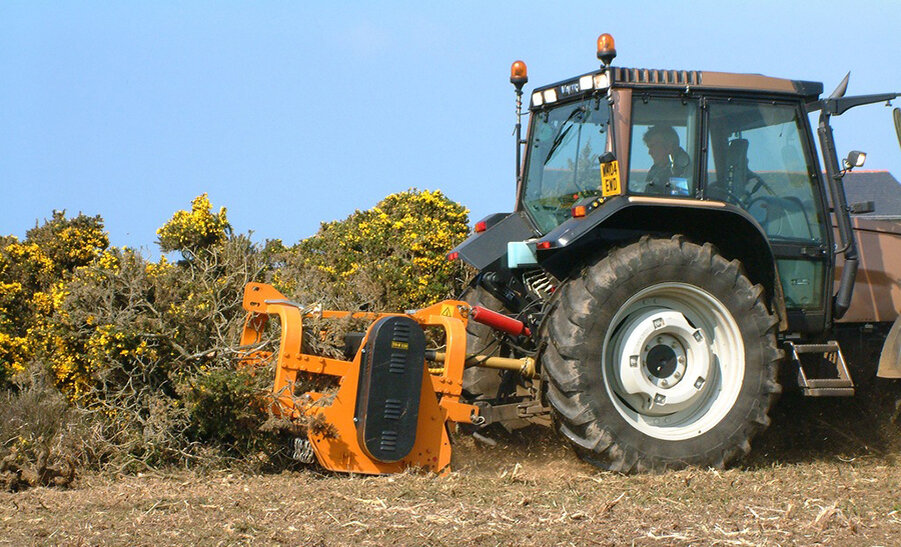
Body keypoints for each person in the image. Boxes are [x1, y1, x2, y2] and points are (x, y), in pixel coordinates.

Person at [643, 125, 690, 194]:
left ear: (669, 146)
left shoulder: (683, 171)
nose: (650, 152)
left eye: (652, 146)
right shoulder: (655, 170)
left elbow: (680, 197)